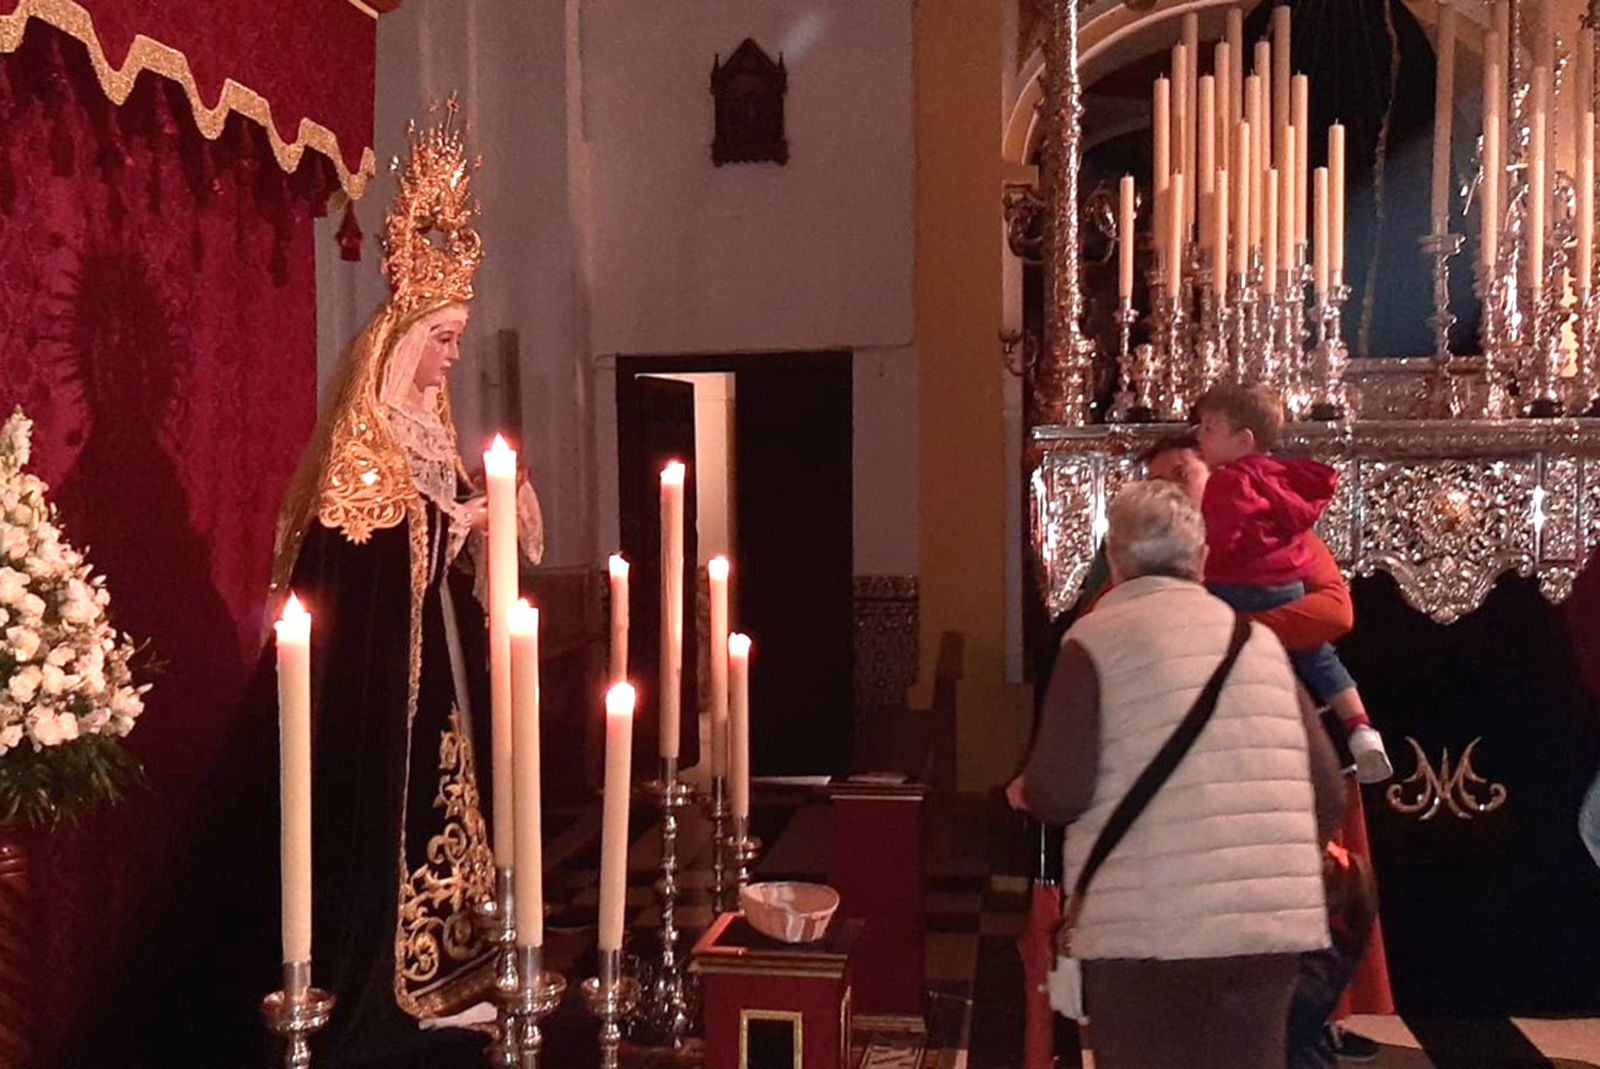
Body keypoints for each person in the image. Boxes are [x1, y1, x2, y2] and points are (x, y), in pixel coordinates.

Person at [265, 101, 541, 1065]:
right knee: (396, 814)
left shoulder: (429, 431)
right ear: (406, 333)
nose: (455, 356)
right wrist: (446, 521)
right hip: (383, 682)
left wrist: (484, 511)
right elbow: (360, 557)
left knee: (452, 802)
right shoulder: (367, 437)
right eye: (445, 336)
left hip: (439, 672)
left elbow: (468, 520)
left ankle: (450, 972)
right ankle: (386, 983)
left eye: (461, 337)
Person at [1021, 480, 1345, 1068]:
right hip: (1265, 929)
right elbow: (1325, 791)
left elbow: (1059, 790)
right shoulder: (1260, 644)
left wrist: (1027, 792)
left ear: (1114, 561)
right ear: (1200, 561)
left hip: (1147, 928)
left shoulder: (1093, 641)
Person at [1195, 384, 1393, 784]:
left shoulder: (1228, 481)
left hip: (1235, 586)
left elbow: (1221, 538)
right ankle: (1360, 728)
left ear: (1243, 440)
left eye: (1209, 428)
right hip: (1288, 583)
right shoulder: (1283, 476)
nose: (1199, 435)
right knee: (1318, 656)